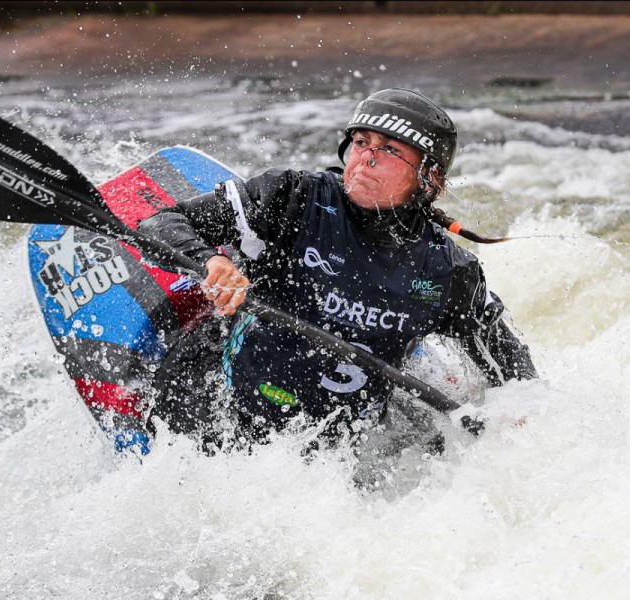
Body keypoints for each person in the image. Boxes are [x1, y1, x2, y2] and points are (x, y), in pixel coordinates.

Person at [138, 88, 537, 448]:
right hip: (220, 410)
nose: (367, 157)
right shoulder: (296, 198)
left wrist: (520, 419)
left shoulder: (447, 271)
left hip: (337, 456)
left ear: (428, 178)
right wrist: (214, 261)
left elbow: (514, 368)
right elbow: (160, 224)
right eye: (362, 142)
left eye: (390, 149)